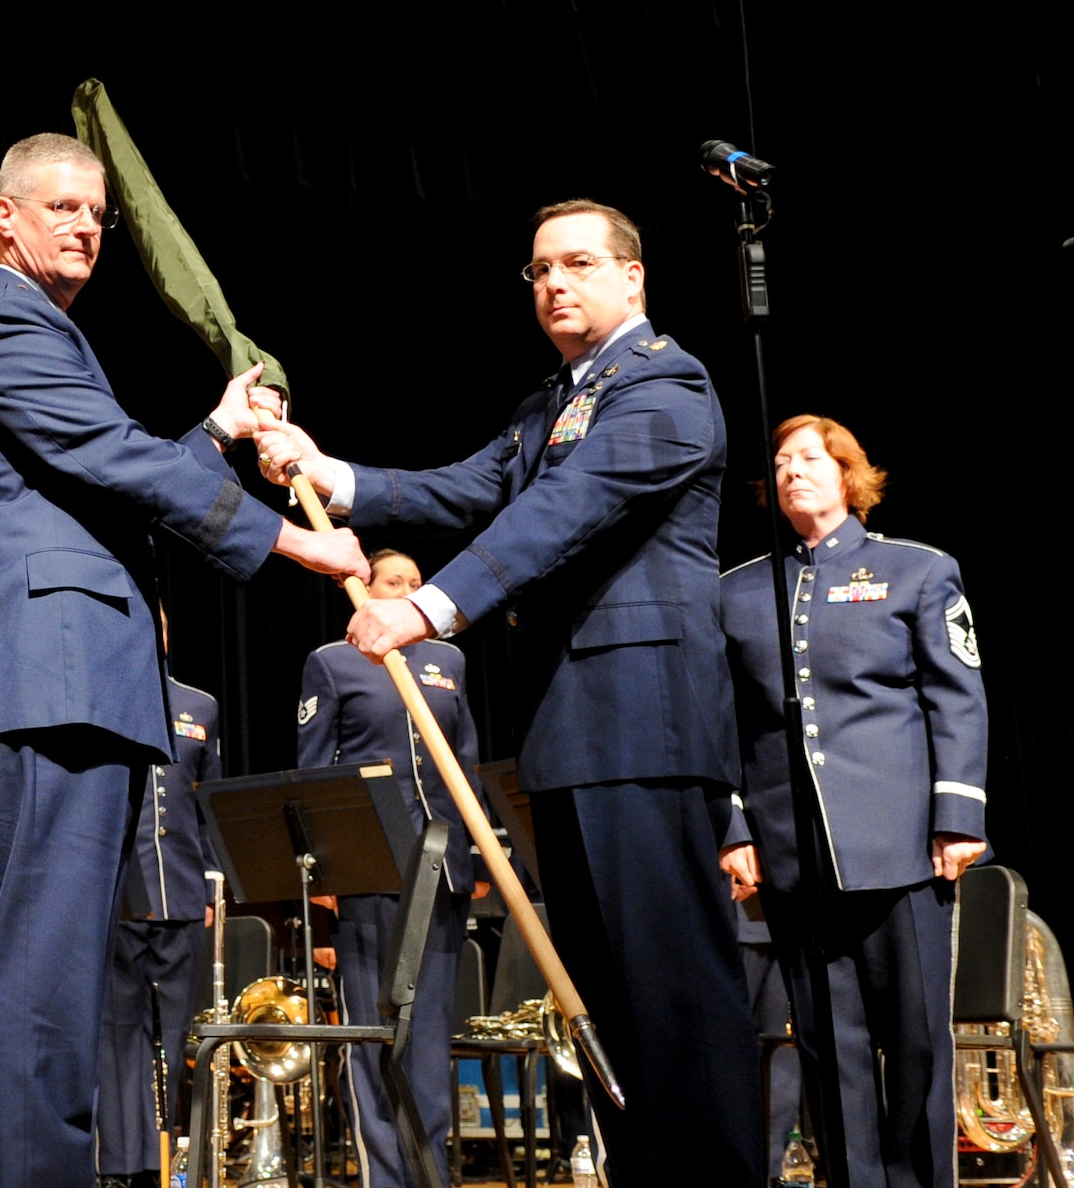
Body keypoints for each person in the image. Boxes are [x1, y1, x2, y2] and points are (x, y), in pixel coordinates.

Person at [255, 200, 762, 1186]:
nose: (552, 283)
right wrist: (331, 472)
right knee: (605, 995)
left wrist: (430, 606)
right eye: (536, 270)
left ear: (632, 276)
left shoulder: (665, 386)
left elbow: (564, 514)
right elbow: (462, 488)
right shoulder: (551, 402)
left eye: (575, 262)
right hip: (570, 734)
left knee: (672, 992)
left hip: (644, 727)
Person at [0, 131, 367, 1188]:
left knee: (64, 976)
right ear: (6, 215)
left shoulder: (43, 336)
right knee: (39, 978)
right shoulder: (5, 329)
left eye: (97, 214)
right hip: (50, 686)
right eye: (63, 207)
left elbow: (111, 483)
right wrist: (289, 538)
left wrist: (213, 433)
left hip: (80, 685)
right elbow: (117, 462)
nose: (85, 226)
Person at [720, 416, 987, 1188]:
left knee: (915, 1046)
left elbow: (957, 698)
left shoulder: (917, 571)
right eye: (780, 462)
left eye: (810, 458)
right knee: (827, 1050)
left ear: (849, 476)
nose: (792, 471)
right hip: (793, 853)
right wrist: (736, 825)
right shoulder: (735, 592)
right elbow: (725, 722)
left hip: (902, 847)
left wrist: (958, 816)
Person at [295, 549, 488, 1188]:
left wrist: (481, 849)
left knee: (430, 1034)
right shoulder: (333, 662)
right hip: (371, 869)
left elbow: (466, 765)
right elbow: (316, 774)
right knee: (377, 1030)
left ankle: (429, 1172)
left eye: (414, 582)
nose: (405, 588)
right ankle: (384, 1175)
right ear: (363, 589)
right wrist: (325, 883)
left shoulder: (449, 661)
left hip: (445, 869)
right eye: (393, 581)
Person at [97, 610, 220, 1188]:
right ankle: (124, 1164)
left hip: (183, 889)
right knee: (119, 1032)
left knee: (173, 1032)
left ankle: (167, 1157)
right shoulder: (97, 695)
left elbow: (209, 800)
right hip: (118, 891)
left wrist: (215, 878)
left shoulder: (200, 704)